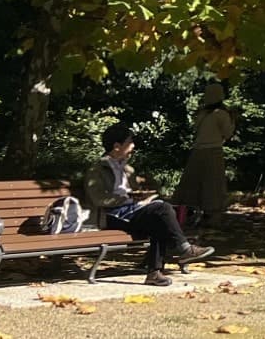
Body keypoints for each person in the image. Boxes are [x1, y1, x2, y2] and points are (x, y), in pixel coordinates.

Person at [88, 124, 213, 286]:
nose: (133, 146)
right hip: (113, 216)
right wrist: (128, 199)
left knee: (159, 218)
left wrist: (142, 197)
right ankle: (184, 249)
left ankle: (154, 273)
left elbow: (133, 193)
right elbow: (98, 199)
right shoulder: (97, 170)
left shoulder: (127, 169)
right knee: (161, 209)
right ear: (117, 146)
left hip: (132, 213)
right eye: (130, 142)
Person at [172, 81, 235, 227]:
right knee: (213, 185)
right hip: (213, 151)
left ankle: (186, 213)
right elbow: (227, 133)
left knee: (192, 184)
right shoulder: (221, 114)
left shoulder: (202, 114)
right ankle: (212, 217)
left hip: (197, 151)